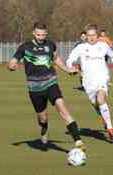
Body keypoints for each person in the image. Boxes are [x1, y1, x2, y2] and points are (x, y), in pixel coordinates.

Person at [8, 22, 85, 151]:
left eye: (43, 35)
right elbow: (13, 61)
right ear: (33, 33)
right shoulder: (24, 47)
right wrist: (11, 66)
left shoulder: (50, 44)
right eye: (38, 34)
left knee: (62, 108)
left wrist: (67, 69)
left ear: (46, 34)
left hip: (51, 83)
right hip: (35, 88)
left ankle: (78, 141)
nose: (41, 37)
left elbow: (55, 59)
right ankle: (44, 128)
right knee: (42, 117)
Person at [66, 24, 113, 144]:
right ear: (86, 36)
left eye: (94, 35)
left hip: (102, 78)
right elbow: (70, 59)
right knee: (96, 104)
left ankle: (110, 129)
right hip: (88, 82)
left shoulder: (103, 46)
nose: (92, 37)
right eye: (89, 35)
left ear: (97, 35)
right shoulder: (81, 47)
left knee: (100, 99)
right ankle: (103, 118)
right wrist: (70, 67)